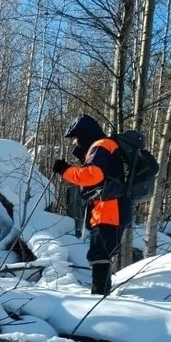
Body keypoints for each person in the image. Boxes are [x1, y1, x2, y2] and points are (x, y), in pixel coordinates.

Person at [53, 114, 131, 295]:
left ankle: (99, 297)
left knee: (100, 255)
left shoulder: (101, 145)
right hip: (107, 209)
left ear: (85, 133)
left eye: (76, 138)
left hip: (109, 210)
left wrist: (65, 170)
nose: (75, 143)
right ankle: (101, 294)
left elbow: (93, 175)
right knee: (100, 254)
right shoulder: (102, 146)